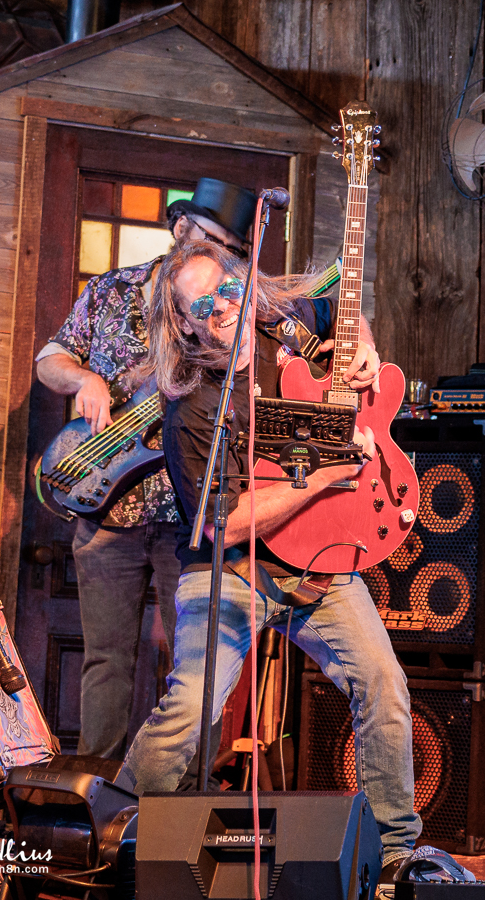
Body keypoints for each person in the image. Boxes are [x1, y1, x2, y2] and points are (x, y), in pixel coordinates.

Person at [114, 238, 446, 884]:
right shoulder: (193, 405)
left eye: (227, 290)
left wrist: (363, 348)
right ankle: (114, 835)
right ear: (183, 321)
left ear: (244, 285)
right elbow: (222, 524)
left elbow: (343, 305)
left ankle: (395, 854)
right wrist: (321, 479)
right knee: (191, 707)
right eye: (202, 305)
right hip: (233, 571)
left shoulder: (281, 329)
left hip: (317, 563)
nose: (221, 308)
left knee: (384, 685)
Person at [36, 178, 257, 764]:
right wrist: (85, 378)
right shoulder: (110, 290)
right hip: (107, 509)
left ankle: (180, 796)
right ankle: (96, 791)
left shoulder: (231, 307)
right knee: (106, 659)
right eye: (211, 238)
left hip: (190, 518)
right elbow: (49, 359)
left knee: (196, 667)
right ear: (181, 226)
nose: (220, 255)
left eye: (232, 249)